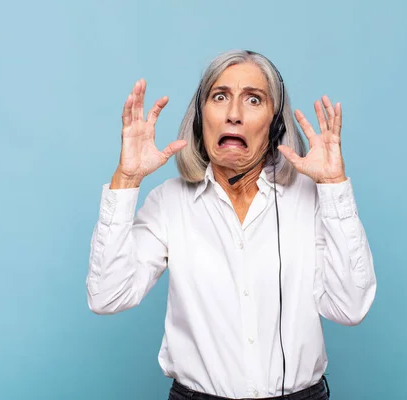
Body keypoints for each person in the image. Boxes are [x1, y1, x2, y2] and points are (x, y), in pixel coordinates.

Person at [86, 49, 377, 400]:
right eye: (220, 97)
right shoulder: (169, 202)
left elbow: (350, 307)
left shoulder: (311, 200)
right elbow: (107, 296)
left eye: (253, 100)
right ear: (200, 117)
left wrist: (334, 188)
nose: (234, 115)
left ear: (275, 123)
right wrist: (127, 178)